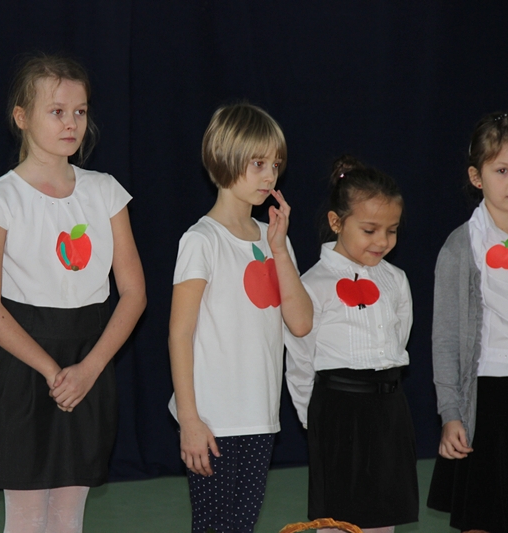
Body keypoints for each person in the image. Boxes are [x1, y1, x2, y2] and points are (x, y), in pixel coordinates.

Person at [0, 54, 146, 533]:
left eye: (80, 111)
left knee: (68, 515)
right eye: (57, 111)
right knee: (27, 518)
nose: (71, 123)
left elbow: (133, 294)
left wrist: (89, 369)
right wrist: (51, 370)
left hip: (90, 359)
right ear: (21, 117)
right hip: (24, 361)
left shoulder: (105, 191)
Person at [168, 103, 313, 533]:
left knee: (242, 526)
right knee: (214, 526)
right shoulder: (202, 240)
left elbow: (301, 323)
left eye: (275, 165)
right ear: (224, 159)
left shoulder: (273, 240)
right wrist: (190, 419)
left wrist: (280, 249)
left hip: (260, 417)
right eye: (258, 163)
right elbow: (180, 333)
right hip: (213, 420)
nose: (270, 176)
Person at [426, 112, 508, 533]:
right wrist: (451, 412)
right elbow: (446, 338)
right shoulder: (461, 246)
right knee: (483, 516)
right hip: (489, 399)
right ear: (476, 177)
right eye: (502, 171)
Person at [284, 155, 418, 533]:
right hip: (338, 412)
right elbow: (300, 358)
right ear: (336, 222)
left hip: (389, 410)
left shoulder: (396, 279)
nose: (382, 241)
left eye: (392, 231)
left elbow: (399, 336)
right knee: (338, 519)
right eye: (370, 230)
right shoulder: (313, 284)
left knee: (384, 516)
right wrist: (313, 420)